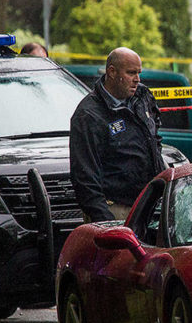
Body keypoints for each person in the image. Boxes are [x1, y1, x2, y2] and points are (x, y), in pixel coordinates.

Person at [70, 47, 166, 222]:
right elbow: (84, 178)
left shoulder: (142, 97)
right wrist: (105, 221)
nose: (137, 79)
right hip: (115, 210)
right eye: (131, 73)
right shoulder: (89, 115)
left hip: (148, 205)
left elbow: (155, 139)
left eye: (139, 73)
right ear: (112, 72)